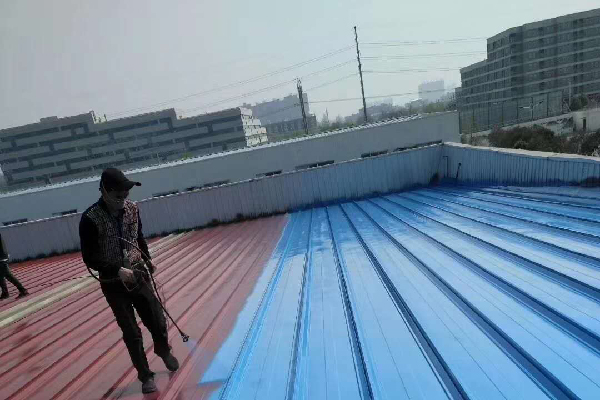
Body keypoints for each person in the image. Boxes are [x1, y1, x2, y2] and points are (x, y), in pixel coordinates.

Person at [79, 168, 179, 394]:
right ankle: (145, 376)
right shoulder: (90, 219)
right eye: (118, 195)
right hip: (113, 282)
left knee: (156, 319)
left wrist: (147, 259)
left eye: (126, 194)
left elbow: (138, 237)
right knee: (132, 332)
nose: (123, 199)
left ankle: (163, 351)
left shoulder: (133, 209)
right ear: (105, 191)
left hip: (138, 272)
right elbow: (90, 257)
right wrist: (116, 269)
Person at [0, 233, 29, 300]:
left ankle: (23, 290)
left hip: (1, 257)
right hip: (2, 256)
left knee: (8, 275)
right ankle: (5, 293)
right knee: (0, 276)